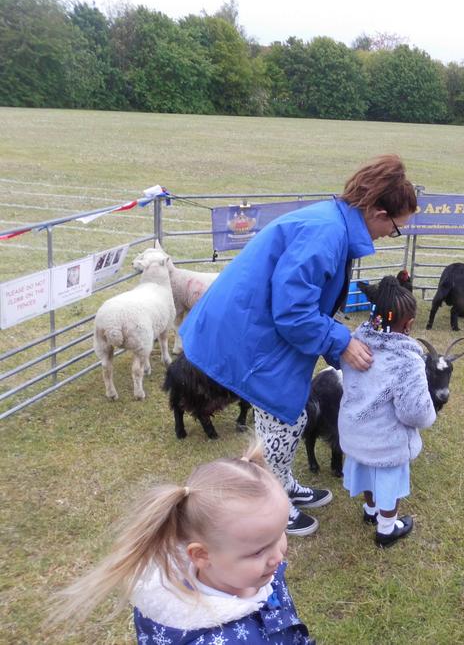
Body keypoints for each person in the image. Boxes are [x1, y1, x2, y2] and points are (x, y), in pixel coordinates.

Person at [179, 155, 418, 536]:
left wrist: (336, 339)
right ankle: (271, 501)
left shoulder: (332, 224)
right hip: (247, 333)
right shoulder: (326, 234)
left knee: (294, 416)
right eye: (394, 228)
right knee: (281, 422)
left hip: (258, 326)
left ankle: (283, 483)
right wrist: (340, 342)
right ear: (377, 212)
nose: (390, 234)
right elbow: (293, 312)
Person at [50, 444, 314, 644]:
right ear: (201, 555)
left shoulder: (251, 571)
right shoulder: (210, 636)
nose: (278, 556)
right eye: (258, 551)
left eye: (280, 534)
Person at [338, 276, 437, 547]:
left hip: (356, 432)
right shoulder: (407, 360)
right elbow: (414, 411)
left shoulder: (354, 345)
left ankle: (370, 510)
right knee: (388, 482)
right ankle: (386, 529)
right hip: (386, 441)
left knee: (365, 469)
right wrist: (429, 415)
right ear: (409, 324)